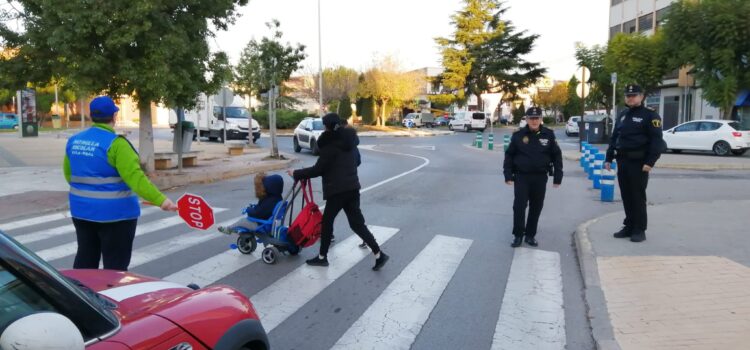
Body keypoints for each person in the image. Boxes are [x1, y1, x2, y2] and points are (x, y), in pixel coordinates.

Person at [64, 96, 178, 271]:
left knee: (85, 259)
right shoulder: (117, 144)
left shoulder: (75, 141)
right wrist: (161, 201)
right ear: (114, 116)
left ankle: (78, 295)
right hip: (116, 216)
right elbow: (136, 179)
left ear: (91, 116)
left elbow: (69, 174)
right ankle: (110, 296)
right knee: (115, 267)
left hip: (81, 212)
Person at [286, 113, 389, 270]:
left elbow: (318, 169)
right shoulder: (350, 143)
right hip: (353, 188)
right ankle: (379, 254)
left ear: (326, 126)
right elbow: (357, 161)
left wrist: (296, 173)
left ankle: (322, 257)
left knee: (327, 223)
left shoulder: (329, 145)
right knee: (357, 224)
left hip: (337, 190)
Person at [604, 84, 664, 243]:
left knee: (637, 196)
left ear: (642, 96)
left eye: (634, 95)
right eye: (628, 96)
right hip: (622, 161)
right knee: (626, 195)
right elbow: (615, 137)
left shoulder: (650, 116)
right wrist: (608, 157)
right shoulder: (623, 115)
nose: (630, 98)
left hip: (639, 163)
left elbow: (657, 142)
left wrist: (650, 162)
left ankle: (639, 229)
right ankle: (629, 225)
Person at [503, 106, 563, 248]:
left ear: (541, 119)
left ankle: (530, 235)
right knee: (519, 206)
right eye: (531, 118)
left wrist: (558, 177)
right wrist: (507, 174)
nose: (534, 121)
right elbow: (509, 155)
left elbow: (557, 156)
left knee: (536, 207)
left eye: (537, 118)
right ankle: (518, 235)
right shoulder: (518, 135)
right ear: (527, 119)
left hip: (540, 177)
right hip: (521, 177)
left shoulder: (548, 135)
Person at [217, 172, 284, 234]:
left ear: (270, 187)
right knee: (245, 221)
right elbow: (262, 209)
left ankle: (229, 229)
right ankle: (233, 229)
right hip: (267, 223)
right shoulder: (277, 198)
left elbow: (257, 213)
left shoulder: (269, 201)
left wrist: (248, 210)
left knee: (243, 221)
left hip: (260, 225)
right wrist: (255, 207)